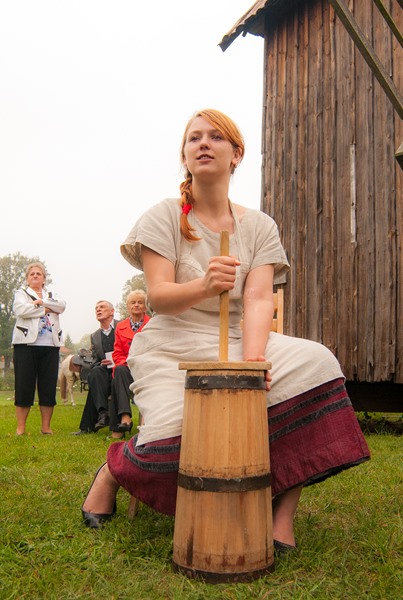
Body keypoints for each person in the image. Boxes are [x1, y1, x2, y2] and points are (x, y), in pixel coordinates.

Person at [80, 109, 370, 553]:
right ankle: (115, 470)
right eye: (194, 137)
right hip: (172, 343)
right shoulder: (164, 216)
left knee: (317, 363)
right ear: (184, 155)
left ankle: (281, 516)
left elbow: (258, 300)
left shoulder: (259, 226)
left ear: (236, 155)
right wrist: (204, 285)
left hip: (239, 339)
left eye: (216, 137)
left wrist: (253, 363)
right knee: (172, 438)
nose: (203, 143)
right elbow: (158, 297)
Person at [12, 262, 66, 435]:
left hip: (51, 345)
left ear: (44, 278)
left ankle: (46, 427)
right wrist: (46, 309)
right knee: (24, 386)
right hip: (25, 345)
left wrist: (41, 302)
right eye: (32, 274)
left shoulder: (52, 294)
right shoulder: (21, 293)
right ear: (27, 278)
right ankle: (21, 428)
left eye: (39, 274)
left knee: (48, 387)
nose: (35, 276)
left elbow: (62, 306)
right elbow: (20, 309)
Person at [108, 289, 150, 439]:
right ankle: (125, 417)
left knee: (117, 380)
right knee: (119, 371)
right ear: (128, 306)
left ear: (145, 306)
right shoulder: (120, 326)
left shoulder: (152, 324)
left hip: (147, 367)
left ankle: (121, 427)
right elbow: (117, 353)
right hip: (127, 367)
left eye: (140, 302)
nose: (136, 305)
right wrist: (128, 363)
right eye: (133, 302)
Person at [72, 300, 118, 434]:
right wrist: (101, 363)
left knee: (96, 382)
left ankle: (88, 425)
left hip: (123, 370)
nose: (98, 309)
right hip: (105, 372)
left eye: (102, 307)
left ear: (112, 311)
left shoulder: (122, 326)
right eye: (96, 308)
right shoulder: (95, 336)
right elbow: (96, 360)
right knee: (95, 373)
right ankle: (103, 413)